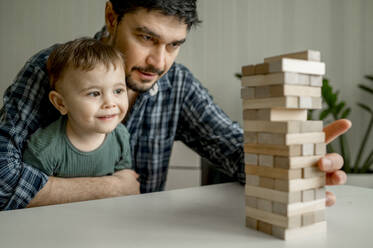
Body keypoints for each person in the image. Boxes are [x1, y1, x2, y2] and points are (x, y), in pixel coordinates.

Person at [0, 0, 350, 210]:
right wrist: (111, 187)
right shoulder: (52, 69)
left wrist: (293, 164)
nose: (158, 62)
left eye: (174, 45)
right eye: (146, 38)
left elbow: (234, 149)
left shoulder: (176, 83)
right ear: (111, 17)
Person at [23, 38, 132, 178]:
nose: (110, 103)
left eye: (118, 91)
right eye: (94, 93)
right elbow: (32, 196)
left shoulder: (121, 137)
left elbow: (123, 182)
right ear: (61, 103)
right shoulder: (44, 149)